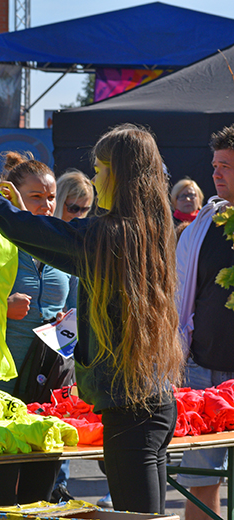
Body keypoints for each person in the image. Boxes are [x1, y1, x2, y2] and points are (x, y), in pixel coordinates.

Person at [0, 123, 184, 514]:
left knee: (135, 516)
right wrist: (18, 217)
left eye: (100, 168)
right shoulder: (148, 230)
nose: (94, 178)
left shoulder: (110, 235)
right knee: (147, 515)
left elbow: (46, 236)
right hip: (153, 399)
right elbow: (46, 237)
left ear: (119, 176)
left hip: (129, 406)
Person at [0, 152, 70, 506]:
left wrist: (69, 322)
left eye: (51, 196)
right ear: (11, 196)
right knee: (2, 492)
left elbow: (80, 306)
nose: (47, 204)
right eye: (36, 196)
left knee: (41, 488)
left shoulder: (61, 243)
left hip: (48, 383)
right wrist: (0, 309)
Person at [175, 125, 234, 520]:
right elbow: (182, 292)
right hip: (205, 367)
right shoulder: (203, 224)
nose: (216, 173)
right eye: (215, 165)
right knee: (202, 474)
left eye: (227, 165)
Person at [50, 168, 95, 503]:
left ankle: (58, 486)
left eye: (85, 208)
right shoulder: (45, 236)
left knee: (61, 421)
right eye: (72, 207)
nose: (78, 215)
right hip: (30, 345)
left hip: (64, 349)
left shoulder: (84, 242)